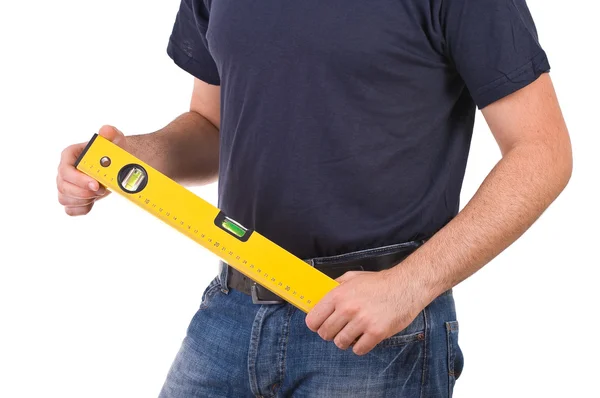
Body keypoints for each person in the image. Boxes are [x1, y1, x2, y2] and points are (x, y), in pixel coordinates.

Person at [56, 0, 572, 396]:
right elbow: (213, 126)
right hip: (231, 312)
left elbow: (542, 152)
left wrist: (406, 287)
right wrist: (128, 158)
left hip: (373, 335)